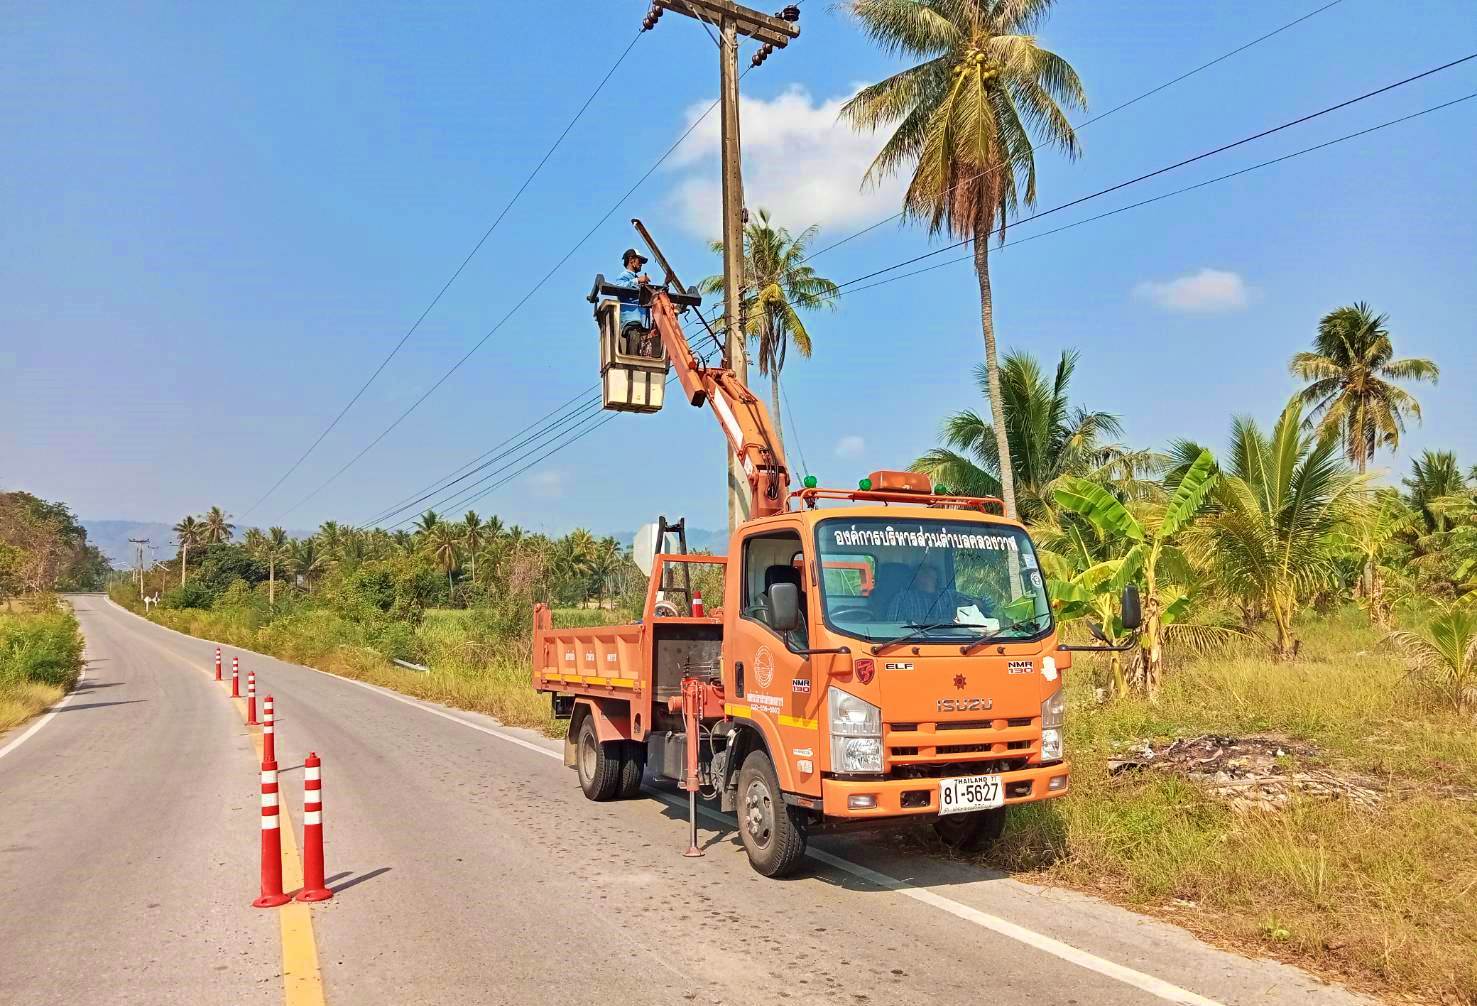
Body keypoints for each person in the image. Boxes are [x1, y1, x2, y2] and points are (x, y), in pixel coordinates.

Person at [887, 563, 993, 624]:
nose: (926, 577)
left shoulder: (950, 595)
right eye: (922, 573)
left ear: (936, 577)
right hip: (912, 642)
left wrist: (970, 604)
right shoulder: (902, 598)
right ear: (914, 579)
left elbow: (987, 604)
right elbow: (892, 624)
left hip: (953, 641)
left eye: (929, 573)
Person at [612, 248, 659, 357]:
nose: (641, 264)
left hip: (641, 323)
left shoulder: (637, 279)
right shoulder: (624, 276)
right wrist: (637, 281)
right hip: (632, 322)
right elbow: (618, 287)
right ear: (631, 260)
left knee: (642, 352)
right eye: (639, 261)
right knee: (634, 354)